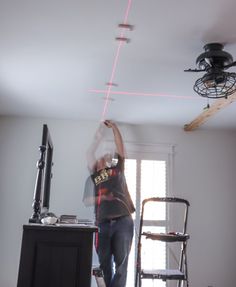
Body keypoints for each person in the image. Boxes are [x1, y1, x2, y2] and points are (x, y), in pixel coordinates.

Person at [83, 120, 135, 287]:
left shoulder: (116, 169)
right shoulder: (94, 176)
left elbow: (121, 149)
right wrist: (97, 138)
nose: (101, 158)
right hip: (102, 224)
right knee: (104, 266)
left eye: (104, 157)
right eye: (99, 159)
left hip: (123, 221)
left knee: (121, 267)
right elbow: (89, 153)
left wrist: (115, 128)